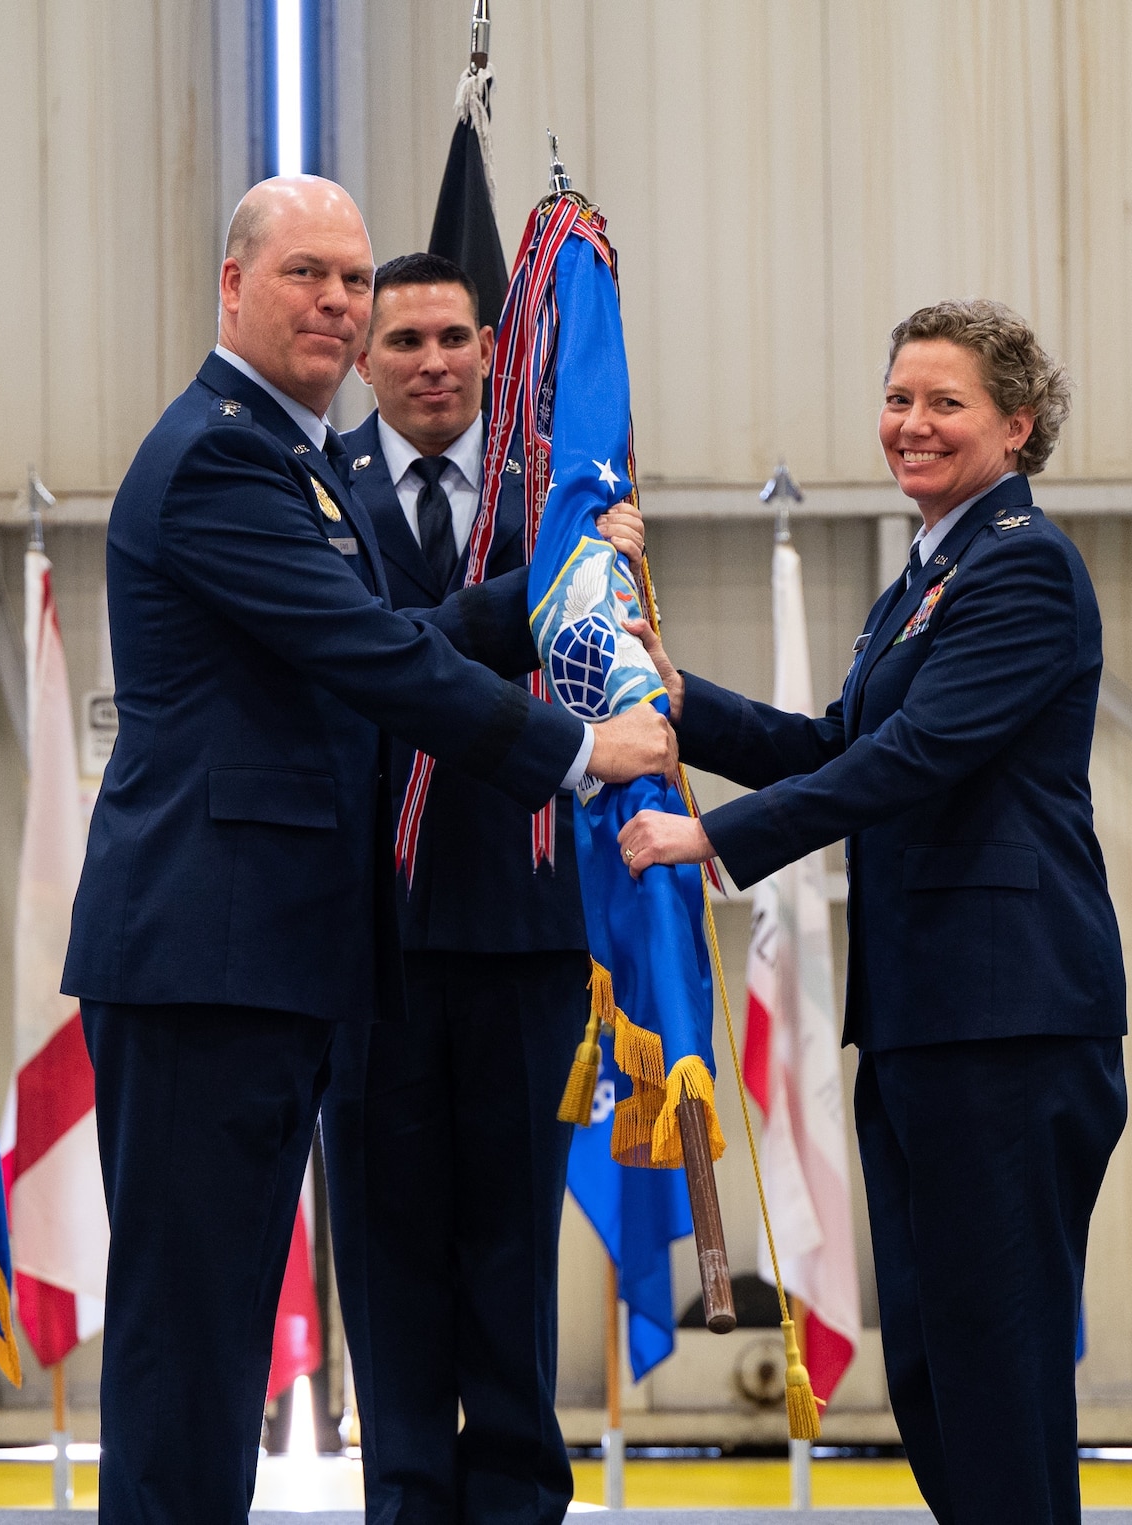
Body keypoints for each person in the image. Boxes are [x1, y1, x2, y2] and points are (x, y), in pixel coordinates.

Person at [61, 177, 674, 1525]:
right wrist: (579, 754)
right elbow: (376, 655)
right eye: (307, 276)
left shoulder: (283, 461)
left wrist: (559, 575)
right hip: (204, 963)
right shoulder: (227, 455)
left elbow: (403, 638)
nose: (337, 301)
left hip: (266, 965)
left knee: (211, 1330)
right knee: (188, 1347)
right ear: (233, 287)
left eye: (351, 277)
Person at [620, 300, 1127, 1525]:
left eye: (943, 402)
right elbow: (832, 742)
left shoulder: (1020, 567)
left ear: (1017, 424)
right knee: (934, 1374)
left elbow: (912, 758)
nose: (910, 424)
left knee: (993, 1375)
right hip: (926, 1023)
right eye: (898, 398)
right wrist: (682, 702)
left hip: (1006, 1024)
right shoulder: (933, 570)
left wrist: (711, 838)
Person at [323, 251, 642, 1523]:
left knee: (513, 1251)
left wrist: (596, 562)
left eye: (457, 337)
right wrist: (542, 586)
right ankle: (402, 1492)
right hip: (368, 941)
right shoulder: (311, 494)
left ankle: (515, 1497)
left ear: (495, 353)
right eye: (402, 342)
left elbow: (607, 664)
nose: (434, 362)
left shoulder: (559, 496)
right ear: (364, 362)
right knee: (386, 1252)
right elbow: (367, 659)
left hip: (524, 934)